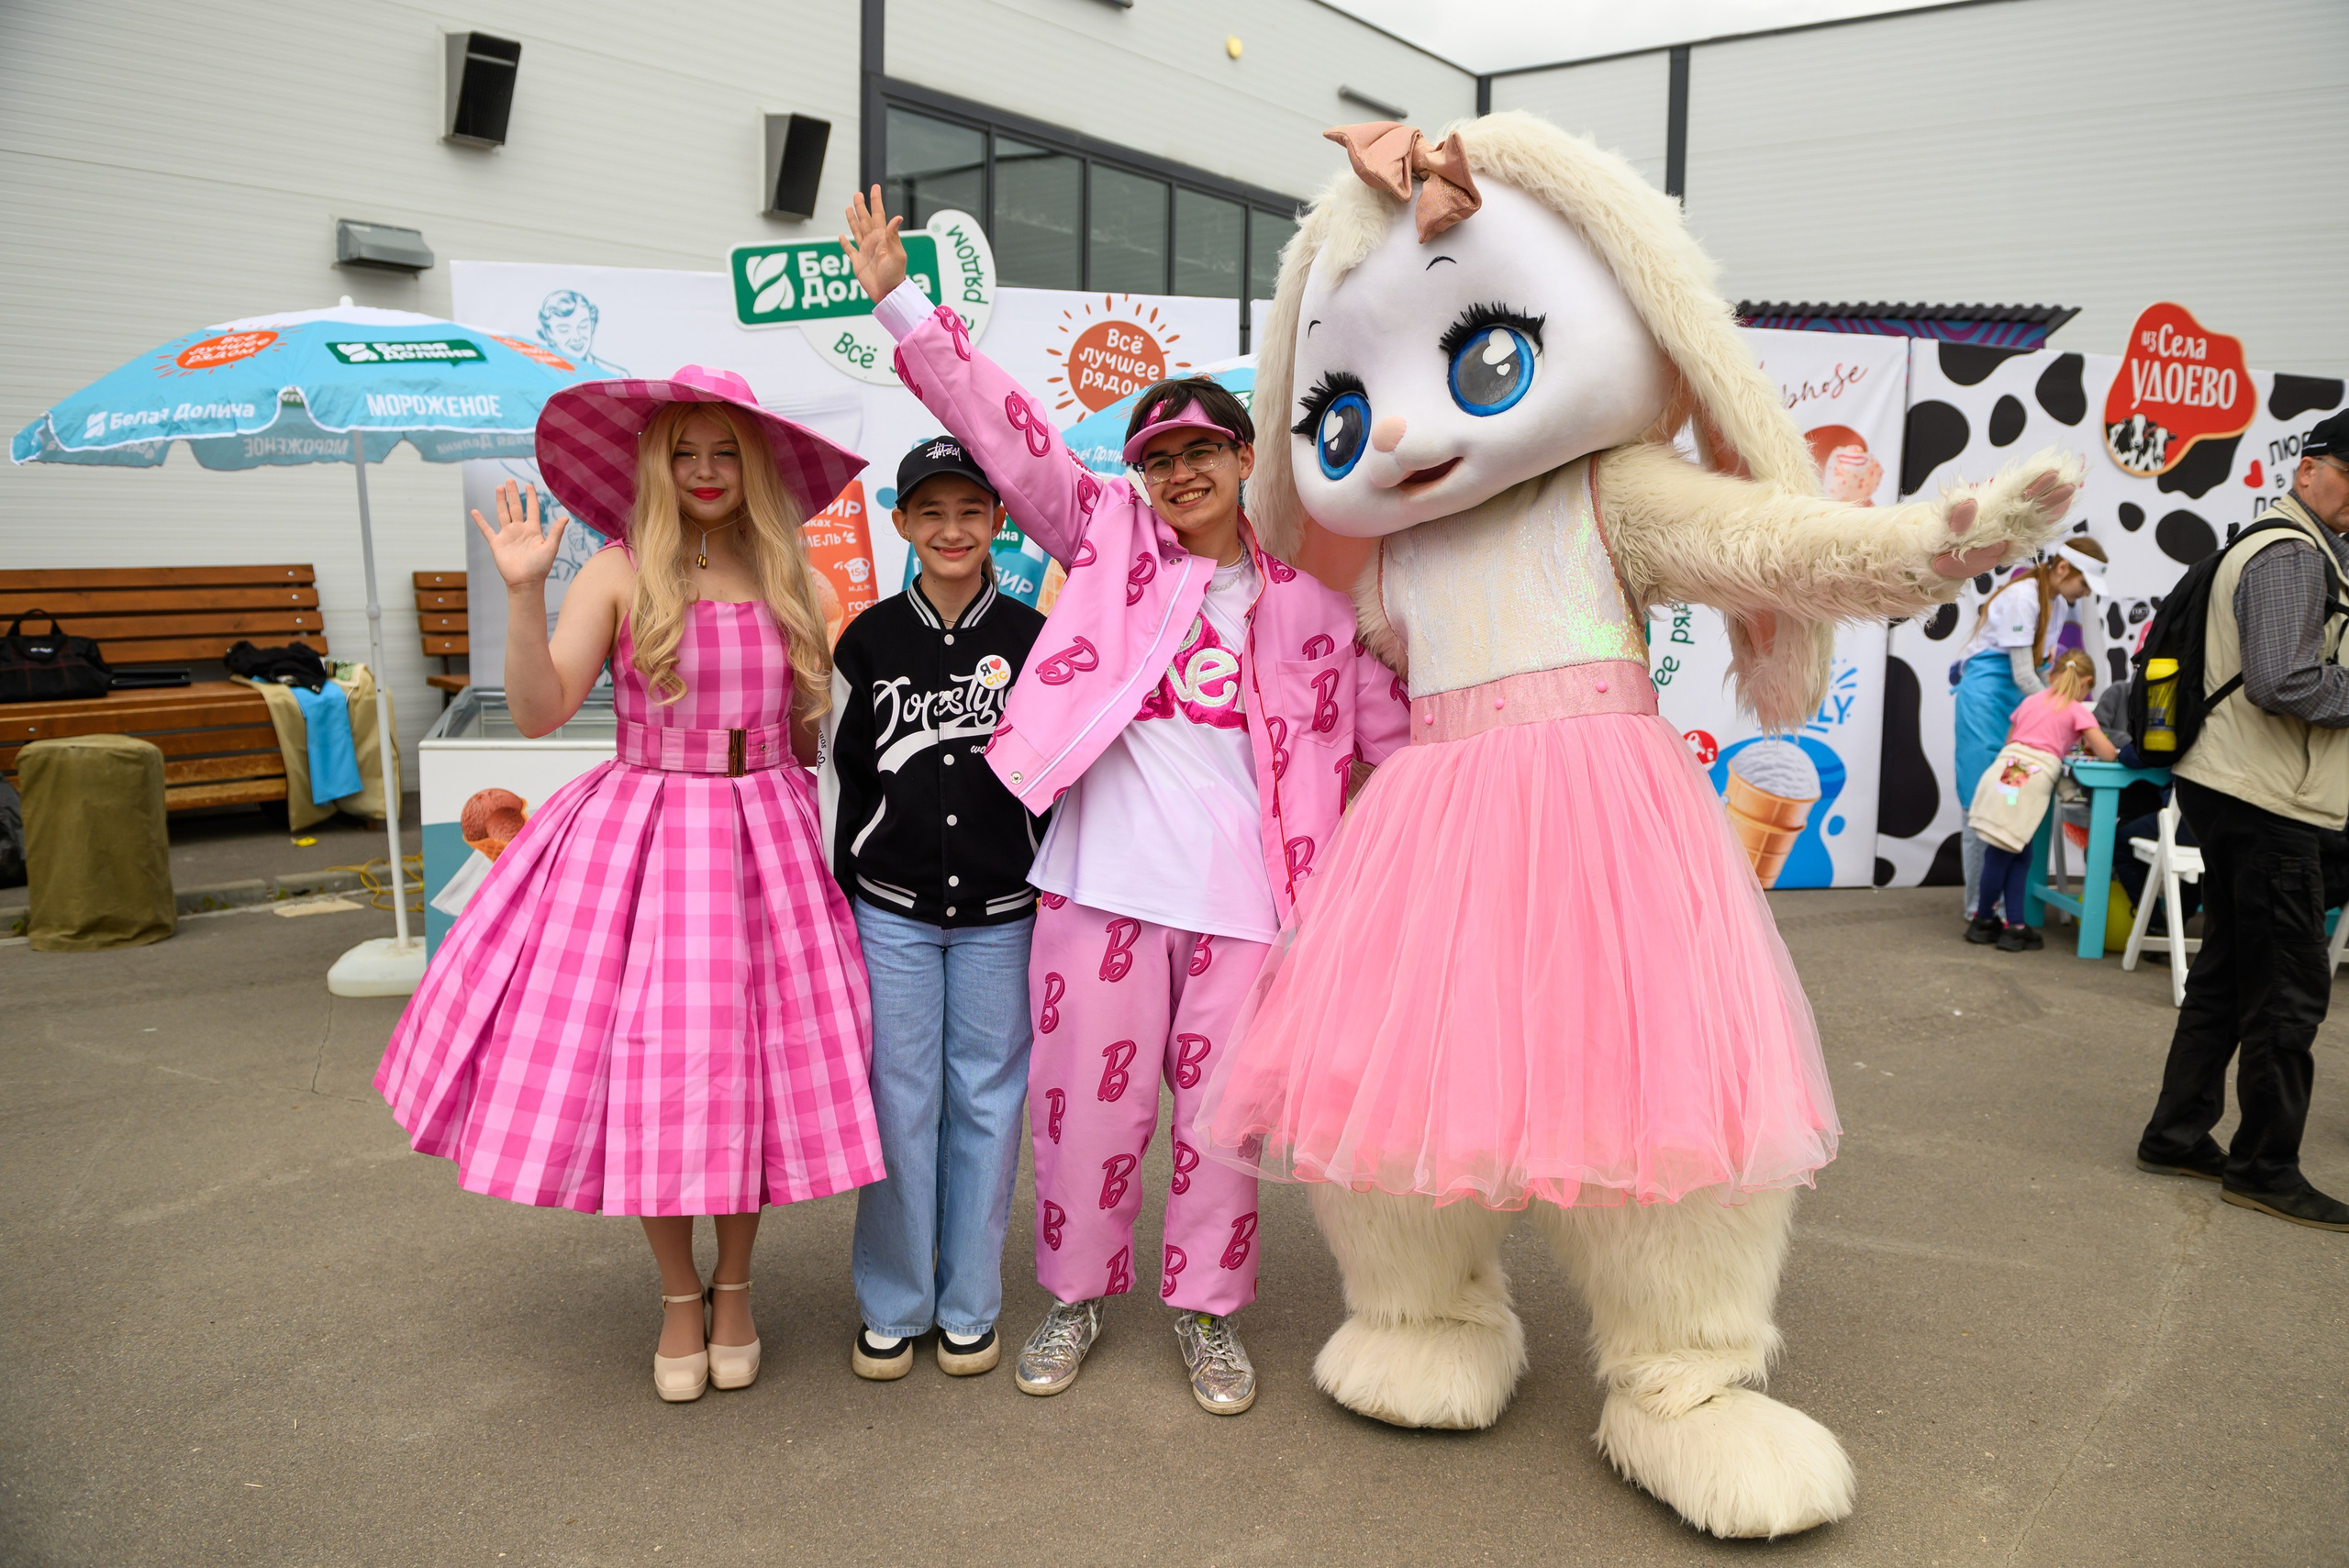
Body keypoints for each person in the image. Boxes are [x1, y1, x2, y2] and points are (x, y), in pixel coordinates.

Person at [841, 186, 1410, 1416]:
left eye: (1202, 450)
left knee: (1219, 1139)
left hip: (1247, 913)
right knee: (1080, 1127)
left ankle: (1207, 1319)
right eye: (1159, 459)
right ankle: (1075, 1300)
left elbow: (1400, 745)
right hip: (1096, 894)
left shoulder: (1313, 610)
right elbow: (1005, 435)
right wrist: (901, 302)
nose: (1181, 472)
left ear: (1244, 456)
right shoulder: (1106, 544)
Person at [375, 366, 883, 1399]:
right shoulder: (615, 571)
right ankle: (677, 1297)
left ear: (754, 463)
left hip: (768, 840)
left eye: (724, 451)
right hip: (648, 838)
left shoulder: (804, 583)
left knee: (752, 1071)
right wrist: (524, 592)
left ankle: (735, 1287)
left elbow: (814, 738)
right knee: (663, 1071)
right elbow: (538, 710)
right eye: (684, 451)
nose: (703, 470)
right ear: (656, 463)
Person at [820, 435, 1047, 1382]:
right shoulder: (867, 638)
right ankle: (894, 1299)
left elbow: (1058, 778)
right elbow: (844, 773)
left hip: (1003, 907)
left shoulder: (1035, 640)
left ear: (999, 520)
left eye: (970, 510)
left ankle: (968, 1303)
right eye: (931, 511)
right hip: (893, 908)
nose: (951, 529)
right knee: (898, 1099)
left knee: (987, 1103)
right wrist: (842, 887)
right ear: (902, 521)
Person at [2137, 410, 2349, 1232]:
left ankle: (2178, 1133)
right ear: (2310, 470)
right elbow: (2284, 681)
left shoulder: (2282, 544)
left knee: (2227, 973)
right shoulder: (2292, 554)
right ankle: (2265, 1165)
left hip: (2234, 789)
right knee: (2289, 992)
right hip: (2264, 801)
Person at [1951, 537, 2109, 921]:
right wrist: (2061, 715)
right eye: (2083, 584)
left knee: (2014, 801)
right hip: (1986, 698)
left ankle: (2007, 908)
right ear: (2061, 569)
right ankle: (1979, 910)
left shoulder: (2054, 604)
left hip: (2018, 702)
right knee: (1980, 802)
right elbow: (2025, 674)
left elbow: (2036, 673)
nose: (2084, 593)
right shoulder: (2024, 597)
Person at [1965, 649, 2118, 950]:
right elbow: (2107, 752)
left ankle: (2007, 923)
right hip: (2033, 780)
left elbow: (2012, 739)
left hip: (2006, 771)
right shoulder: (2077, 710)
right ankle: (1990, 923)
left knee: (2008, 851)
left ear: (2051, 675)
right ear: (2087, 683)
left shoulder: (2030, 701)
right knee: (2009, 853)